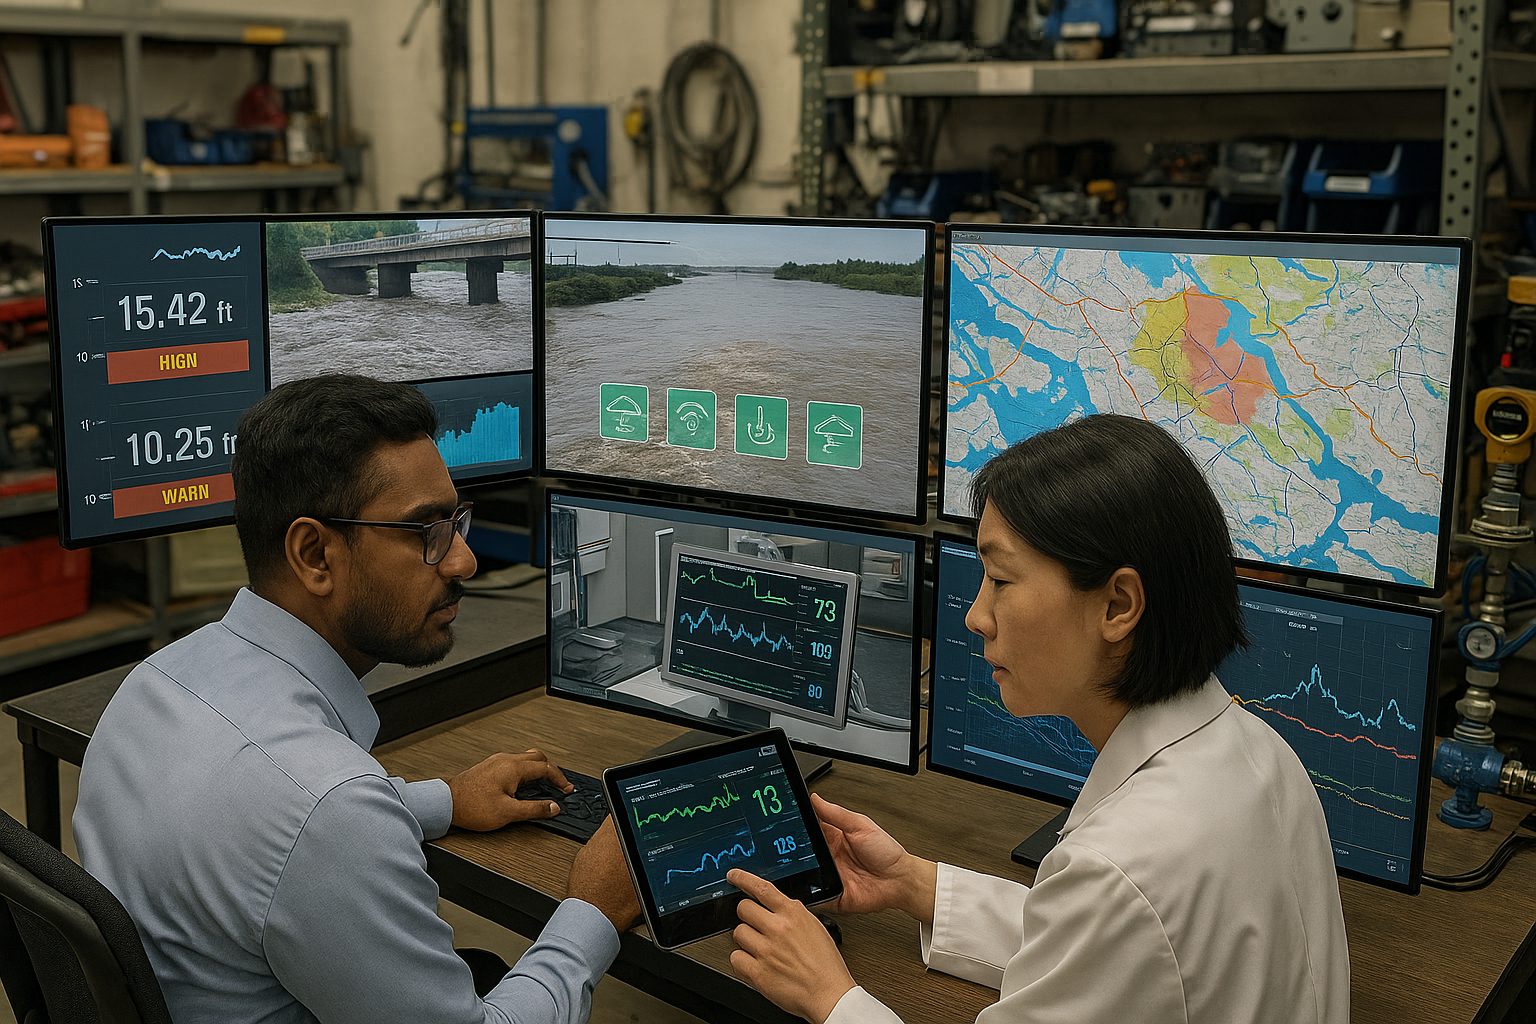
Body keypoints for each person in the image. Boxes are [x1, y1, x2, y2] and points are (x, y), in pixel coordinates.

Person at [726, 414, 1350, 1024]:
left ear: (1118, 604)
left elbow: (1115, 916)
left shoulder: (1123, 867)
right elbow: (1107, 950)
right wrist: (916, 884)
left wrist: (831, 997)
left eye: (999, 578)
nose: (975, 615)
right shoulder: (1262, 752)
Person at [74, 374, 641, 1024]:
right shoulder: (326, 809)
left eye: (456, 521)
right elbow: (308, 818)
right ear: (315, 554)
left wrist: (444, 799)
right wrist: (594, 909)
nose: (464, 562)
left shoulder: (155, 683)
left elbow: (260, 819)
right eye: (425, 532)